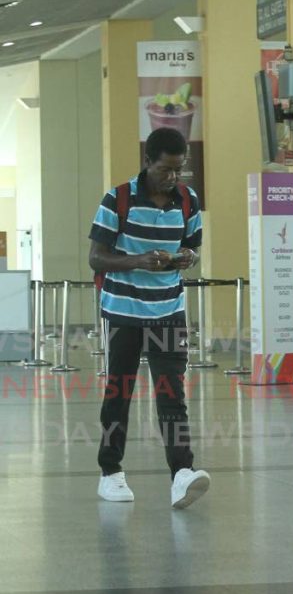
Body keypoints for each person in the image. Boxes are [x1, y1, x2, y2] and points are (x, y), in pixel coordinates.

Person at [88, 127, 210, 509]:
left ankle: (182, 474)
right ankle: (110, 472)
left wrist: (187, 259)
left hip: (169, 311)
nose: (173, 177)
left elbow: (191, 247)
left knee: (171, 394)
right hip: (123, 311)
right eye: (166, 170)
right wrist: (138, 261)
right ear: (148, 161)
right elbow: (96, 257)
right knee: (119, 391)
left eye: (179, 170)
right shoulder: (118, 198)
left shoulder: (188, 200)